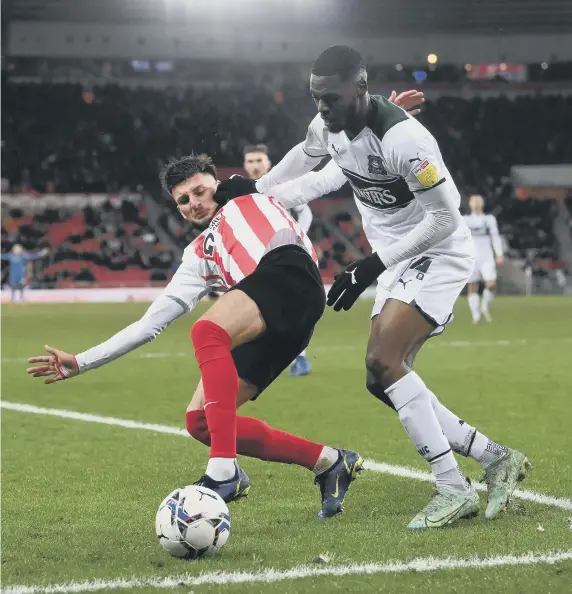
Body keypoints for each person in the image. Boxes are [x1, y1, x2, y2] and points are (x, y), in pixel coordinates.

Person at [217, 46, 529, 529]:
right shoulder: (329, 124)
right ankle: (494, 457)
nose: (322, 108)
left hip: (437, 251)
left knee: (386, 361)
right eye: (316, 98)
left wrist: (369, 265)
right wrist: (258, 189)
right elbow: (307, 153)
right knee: (379, 379)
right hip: (393, 260)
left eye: (332, 98)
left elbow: (445, 219)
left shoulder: (407, 141)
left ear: (361, 89)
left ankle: (452, 486)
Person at [26, 154, 363, 519]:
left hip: (291, 274)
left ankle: (223, 472)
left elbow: (323, 173)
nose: (194, 203)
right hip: (276, 322)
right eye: (183, 201)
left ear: (215, 183)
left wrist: (365, 134)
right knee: (200, 422)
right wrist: (81, 361)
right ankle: (329, 462)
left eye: (199, 191)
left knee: (208, 330)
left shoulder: (252, 192)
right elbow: (148, 324)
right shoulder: (197, 255)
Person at [244, 143, 313, 376]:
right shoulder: (241, 189)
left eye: (259, 160)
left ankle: (300, 358)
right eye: (250, 161)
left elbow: (305, 212)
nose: (255, 166)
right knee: (259, 307)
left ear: (269, 163)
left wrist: (298, 238)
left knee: (289, 306)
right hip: (254, 257)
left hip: (285, 254)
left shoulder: (283, 185)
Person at [463, 194, 504, 323]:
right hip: (471, 257)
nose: (475, 204)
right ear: (469, 204)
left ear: (482, 203)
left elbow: (495, 237)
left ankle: (484, 307)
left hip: (487, 256)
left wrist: (499, 254)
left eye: (478, 201)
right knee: (472, 285)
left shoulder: (489, 219)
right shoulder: (464, 220)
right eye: (473, 201)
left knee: (491, 284)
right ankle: (476, 315)